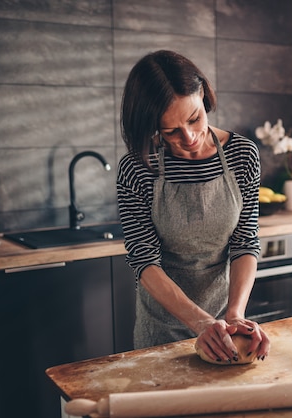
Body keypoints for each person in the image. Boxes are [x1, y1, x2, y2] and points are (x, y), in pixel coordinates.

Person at [116, 50, 270, 364]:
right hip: (160, 329)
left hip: (224, 321)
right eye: (170, 131)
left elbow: (245, 243)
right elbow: (144, 261)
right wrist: (199, 322)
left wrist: (235, 315)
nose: (188, 137)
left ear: (203, 96)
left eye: (194, 118)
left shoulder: (242, 155)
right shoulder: (137, 167)